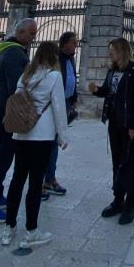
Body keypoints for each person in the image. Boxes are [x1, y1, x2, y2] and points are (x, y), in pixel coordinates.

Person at [2, 41, 68, 249]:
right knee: (35, 184)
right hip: (42, 135)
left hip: (21, 134)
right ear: (53, 56)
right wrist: (63, 135)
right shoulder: (54, 76)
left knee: (17, 180)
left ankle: (9, 227)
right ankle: (31, 231)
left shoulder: (25, 76)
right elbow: (59, 107)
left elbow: (17, 99)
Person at [0, 18, 37, 224]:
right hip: (5, 111)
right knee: (2, 158)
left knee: (2, 155)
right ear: (20, 32)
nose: (33, 38)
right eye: (30, 34)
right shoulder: (13, 53)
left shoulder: (6, 50)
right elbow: (17, 88)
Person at [90, 38, 134, 224]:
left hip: (129, 125)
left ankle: (131, 205)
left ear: (121, 51)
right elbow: (108, 91)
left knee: (130, 163)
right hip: (114, 122)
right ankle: (117, 200)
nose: (109, 53)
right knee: (117, 162)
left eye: (112, 50)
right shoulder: (112, 70)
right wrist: (96, 90)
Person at [43, 31, 78, 198]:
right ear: (64, 44)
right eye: (73, 42)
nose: (76, 45)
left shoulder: (70, 57)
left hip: (65, 102)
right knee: (48, 141)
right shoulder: (55, 58)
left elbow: (72, 77)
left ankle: (49, 178)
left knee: (54, 142)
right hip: (54, 104)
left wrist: (74, 98)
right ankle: (45, 180)